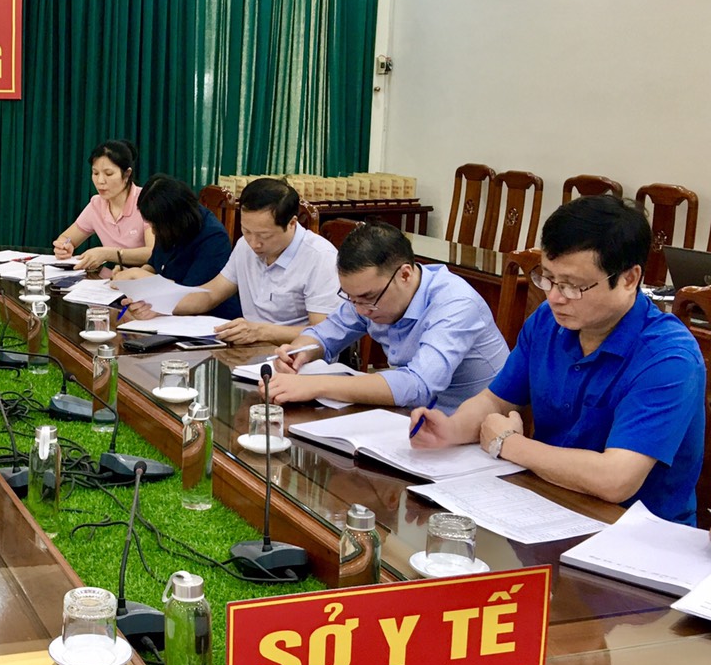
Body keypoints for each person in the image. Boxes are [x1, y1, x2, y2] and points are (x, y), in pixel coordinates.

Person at [410, 196, 705, 525]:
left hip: (636, 534)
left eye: (573, 286)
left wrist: (508, 444)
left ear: (629, 279)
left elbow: (616, 480)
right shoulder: (547, 322)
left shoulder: (668, 358)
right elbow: (496, 400)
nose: (554, 297)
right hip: (546, 504)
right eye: (548, 278)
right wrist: (450, 429)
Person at [268, 220, 509, 411]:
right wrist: (298, 352)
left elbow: (418, 385)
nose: (360, 309)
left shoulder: (455, 303)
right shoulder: (368, 294)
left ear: (405, 275)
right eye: (351, 297)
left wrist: (317, 385)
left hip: (473, 431)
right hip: (410, 419)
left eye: (368, 298)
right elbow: (324, 334)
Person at [127, 177, 338, 345]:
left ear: (291, 223)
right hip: (250, 350)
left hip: (298, 360)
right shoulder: (244, 247)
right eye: (246, 231)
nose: (254, 243)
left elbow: (323, 332)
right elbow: (209, 296)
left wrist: (261, 331)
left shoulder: (320, 258)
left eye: (264, 236)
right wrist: (159, 305)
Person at [113, 174, 241, 319]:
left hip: (207, 319)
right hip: (165, 312)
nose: (154, 231)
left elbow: (192, 294)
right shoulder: (169, 225)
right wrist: (131, 280)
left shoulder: (213, 238)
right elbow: (154, 265)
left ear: (173, 219)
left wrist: (139, 274)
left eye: (155, 226)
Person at [52, 139, 153, 273]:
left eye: (108, 174)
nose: (100, 181)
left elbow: (152, 252)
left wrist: (107, 253)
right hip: (115, 278)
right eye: (95, 173)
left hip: (148, 278)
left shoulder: (147, 201)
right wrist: (64, 247)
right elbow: (66, 238)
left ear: (127, 174)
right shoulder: (96, 204)